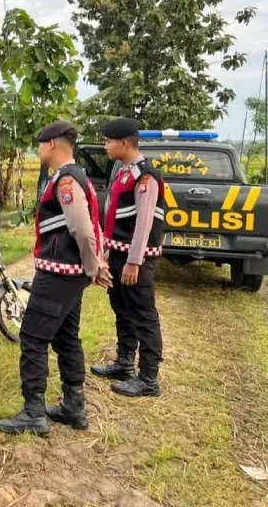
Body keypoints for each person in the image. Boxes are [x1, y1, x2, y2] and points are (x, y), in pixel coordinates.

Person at [0, 121, 112, 435]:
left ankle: (33, 412)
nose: (37, 150)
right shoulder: (78, 177)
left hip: (58, 273)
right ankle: (74, 407)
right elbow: (93, 227)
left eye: (39, 144)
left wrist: (93, 266)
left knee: (33, 338)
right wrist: (94, 265)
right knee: (66, 338)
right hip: (70, 275)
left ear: (51, 145)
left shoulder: (65, 181)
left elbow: (83, 230)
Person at [91, 117, 166, 397]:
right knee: (122, 309)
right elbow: (116, 218)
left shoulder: (145, 176)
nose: (106, 146)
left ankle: (148, 379)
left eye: (108, 141)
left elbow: (144, 223)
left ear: (124, 143)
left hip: (136, 259)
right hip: (119, 253)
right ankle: (124, 363)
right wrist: (107, 250)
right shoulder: (124, 172)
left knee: (143, 314)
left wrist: (134, 261)